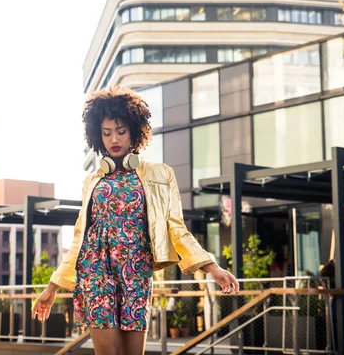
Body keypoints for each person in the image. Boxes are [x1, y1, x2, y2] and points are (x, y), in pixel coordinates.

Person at [32, 86, 239, 355]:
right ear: (98, 135)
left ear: (134, 131)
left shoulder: (159, 174)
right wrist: (52, 287)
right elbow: (80, 239)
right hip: (96, 272)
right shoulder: (93, 181)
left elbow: (176, 227)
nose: (113, 139)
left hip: (135, 272)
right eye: (106, 133)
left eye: (120, 131)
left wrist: (213, 268)